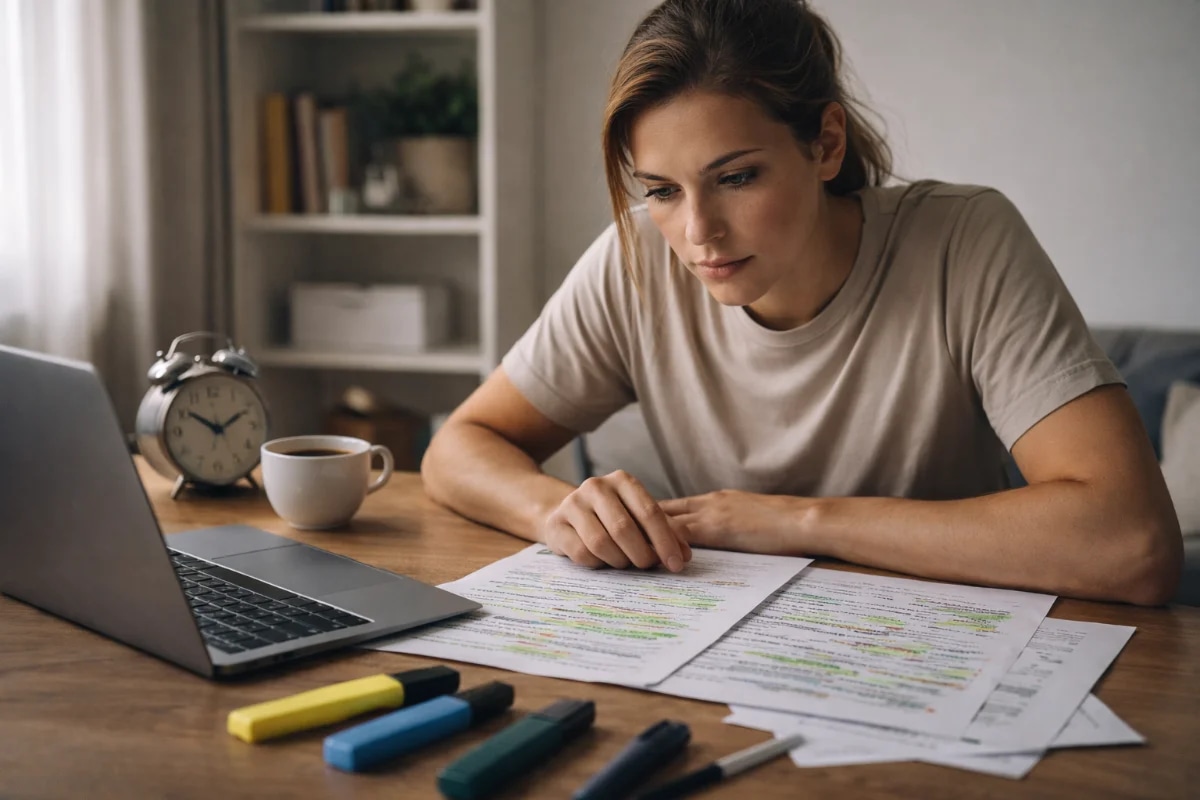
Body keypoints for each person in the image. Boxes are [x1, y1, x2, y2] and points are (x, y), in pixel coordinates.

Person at [422, 0, 1182, 605]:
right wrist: (555, 512)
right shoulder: (637, 262)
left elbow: (1132, 543)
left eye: (737, 177)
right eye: (661, 190)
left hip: (941, 649)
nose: (698, 233)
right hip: (720, 643)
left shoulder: (964, 241)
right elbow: (460, 447)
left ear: (825, 144)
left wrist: (792, 520)